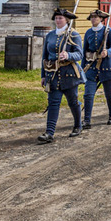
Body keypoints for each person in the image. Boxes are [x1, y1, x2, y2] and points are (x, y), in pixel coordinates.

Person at [39, 8, 86, 143]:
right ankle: (49, 133)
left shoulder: (73, 35)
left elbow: (79, 54)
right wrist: (43, 75)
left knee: (73, 102)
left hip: (69, 75)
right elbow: (45, 57)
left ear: (66, 20)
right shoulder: (50, 35)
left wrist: (68, 55)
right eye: (56, 18)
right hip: (52, 75)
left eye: (60, 18)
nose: (58, 20)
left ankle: (78, 125)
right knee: (53, 103)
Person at [82, 9, 111, 126]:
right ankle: (87, 120)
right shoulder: (88, 32)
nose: (93, 19)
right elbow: (85, 52)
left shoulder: (108, 31)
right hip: (92, 68)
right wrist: (82, 69)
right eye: (92, 17)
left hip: (106, 67)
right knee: (88, 95)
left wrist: (107, 52)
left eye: (96, 17)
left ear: (101, 19)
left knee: (109, 94)